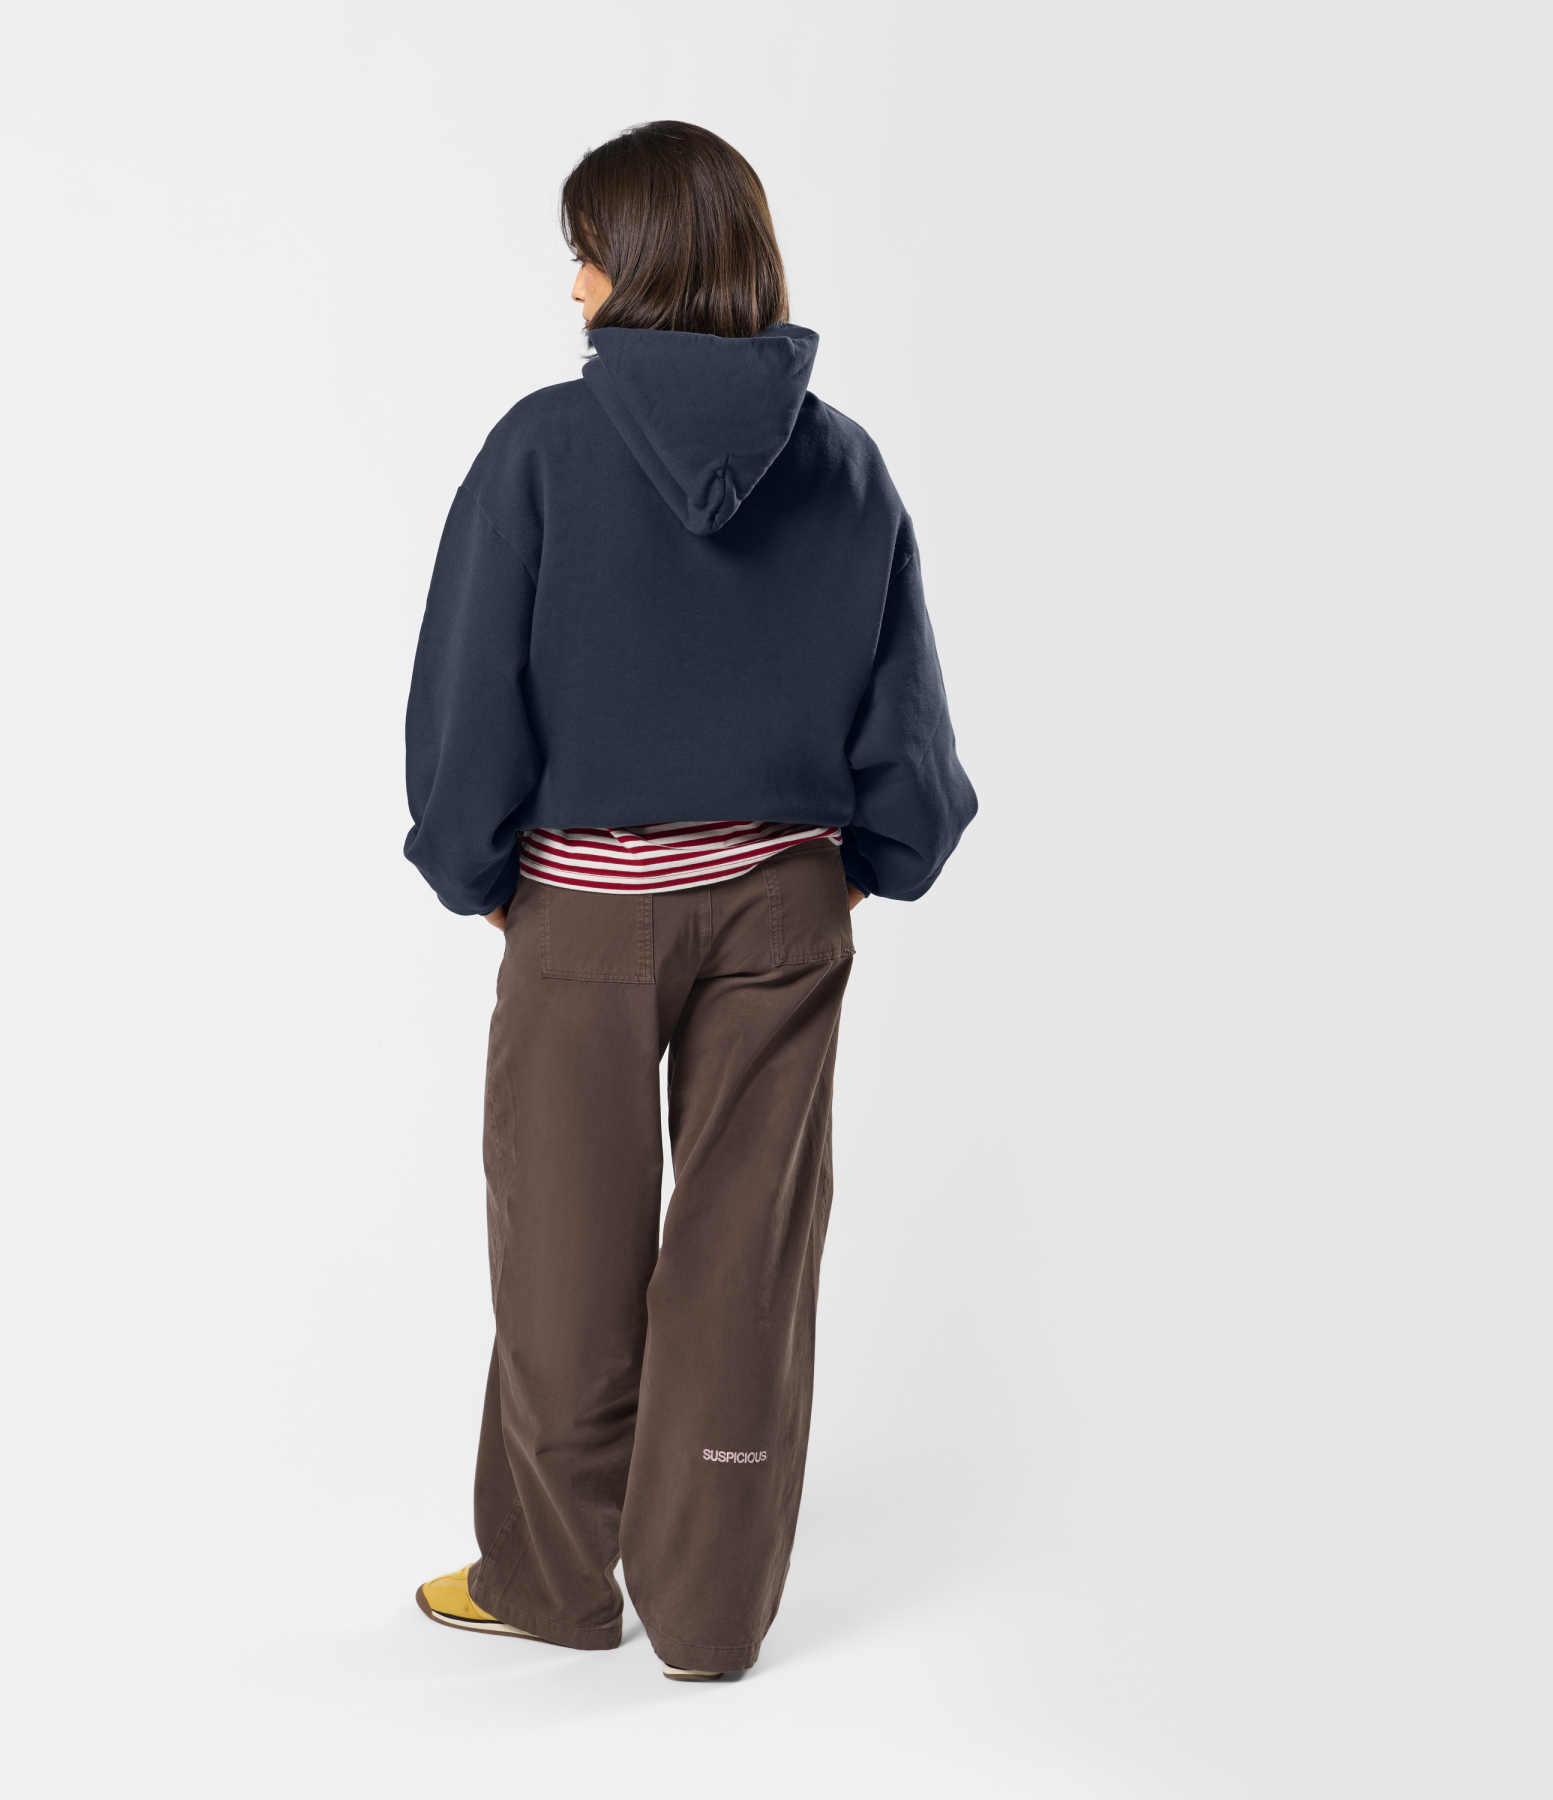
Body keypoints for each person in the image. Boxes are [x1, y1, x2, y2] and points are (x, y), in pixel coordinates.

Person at [403, 120, 976, 1680]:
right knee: (746, 1266)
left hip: (584, 917)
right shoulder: (844, 461)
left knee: (565, 1254)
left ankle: (553, 1582)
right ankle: (712, 1618)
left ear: (634, 262)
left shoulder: (541, 448)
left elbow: (470, 685)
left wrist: (476, 867)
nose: (572, 284)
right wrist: (875, 857)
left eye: (584, 252)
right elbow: (903, 706)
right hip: (785, 912)